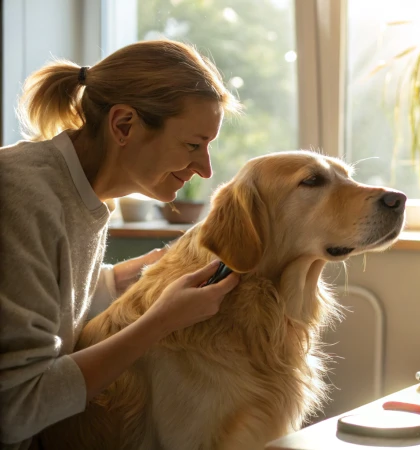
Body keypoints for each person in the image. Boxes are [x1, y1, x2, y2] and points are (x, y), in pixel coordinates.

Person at [0, 39, 244, 449]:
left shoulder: (78, 193)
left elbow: (29, 305)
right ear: (124, 125)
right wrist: (159, 322)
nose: (205, 168)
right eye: (192, 145)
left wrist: (112, 283)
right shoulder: (21, 194)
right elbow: (14, 409)